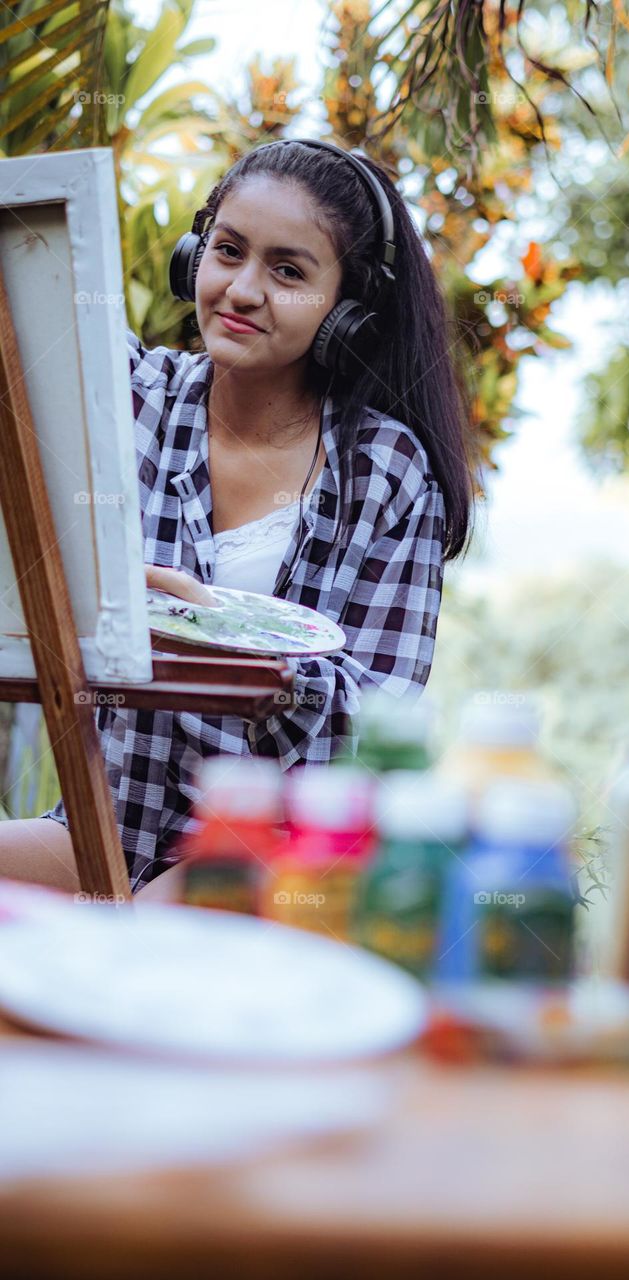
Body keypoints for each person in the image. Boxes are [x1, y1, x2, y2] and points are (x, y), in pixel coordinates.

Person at [0, 138, 476, 896]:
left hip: (273, 855)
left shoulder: (384, 469)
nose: (243, 289)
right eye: (227, 250)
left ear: (345, 309)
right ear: (194, 256)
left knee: (131, 966)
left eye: (287, 270)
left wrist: (241, 645)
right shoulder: (130, 396)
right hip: (102, 831)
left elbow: (378, 725)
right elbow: (29, 300)